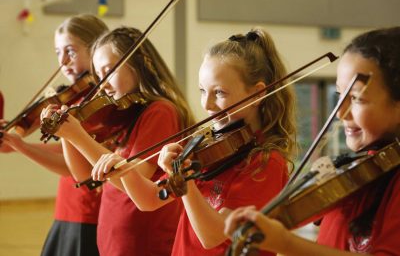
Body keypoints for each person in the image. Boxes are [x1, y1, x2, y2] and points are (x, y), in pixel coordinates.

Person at [89, 27, 297, 255]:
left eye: (219, 93)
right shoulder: (209, 150)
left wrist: (183, 180)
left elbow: (212, 236)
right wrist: (126, 170)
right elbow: (149, 199)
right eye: (202, 91)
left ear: (258, 94)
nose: (206, 105)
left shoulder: (265, 163)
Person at [224, 27, 400, 255]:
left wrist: (285, 243)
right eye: (339, 96)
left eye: (356, 98)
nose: (340, 112)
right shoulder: (361, 171)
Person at [41, 26, 195, 255]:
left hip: (143, 241)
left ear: (138, 65)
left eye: (109, 71)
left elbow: (133, 179)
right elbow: (84, 175)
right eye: (99, 75)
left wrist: (78, 135)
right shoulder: (124, 114)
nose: (102, 84)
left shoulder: (161, 111)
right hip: (115, 239)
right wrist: (66, 133)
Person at [0, 14, 108, 256]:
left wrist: (22, 147)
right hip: (68, 208)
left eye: (70, 51)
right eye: (58, 52)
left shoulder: (99, 103)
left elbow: (72, 165)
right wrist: (12, 140)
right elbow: (24, 136)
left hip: (89, 210)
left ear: (97, 48)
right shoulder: (68, 98)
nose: (63, 61)